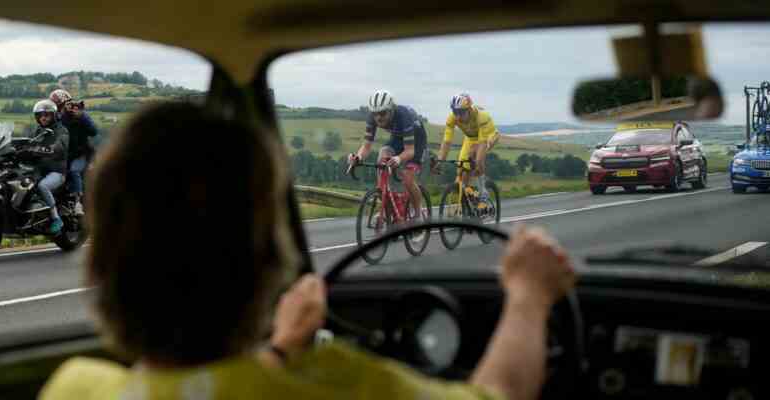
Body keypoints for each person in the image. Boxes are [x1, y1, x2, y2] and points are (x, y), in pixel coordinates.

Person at [40, 102, 576, 400]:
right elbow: (501, 394)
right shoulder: (342, 385)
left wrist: (276, 353)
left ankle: (416, 210)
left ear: (101, 265)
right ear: (270, 261)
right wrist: (529, 293)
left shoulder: (73, 387)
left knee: (408, 172)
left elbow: (208, 390)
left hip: (419, 156)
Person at [348, 90, 427, 217]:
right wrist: (358, 157)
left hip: (416, 141)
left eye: (382, 113)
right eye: (375, 113)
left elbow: (410, 151)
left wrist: (398, 159)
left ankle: (418, 213)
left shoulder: (403, 116)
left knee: (407, 179)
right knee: (382, 155)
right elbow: (366, 146)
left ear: (391, 110)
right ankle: (385, 205)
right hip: (397, 138)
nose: (378, 117)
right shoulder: (372, 118)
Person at [437, 93, 500, 209]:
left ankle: (483, 193)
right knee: (462, 169)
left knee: (476, 159)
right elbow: (446, 142)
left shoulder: (482, 117)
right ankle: (468, 195)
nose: (458, 117)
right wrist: (440, 160)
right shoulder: (452, 118)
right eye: (455, 112)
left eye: (461, 113)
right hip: (471, 138)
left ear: (469, 109)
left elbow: (481, 144)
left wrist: (476, 162)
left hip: (489, 136)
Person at [50, 89, 99, 216]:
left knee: (74, 171)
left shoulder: (80, 115)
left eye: (68, 104)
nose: (65, 108)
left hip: (80, 154)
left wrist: (81, 116)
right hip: (63, 156)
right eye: (60, 106)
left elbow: (93, 131)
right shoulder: (57, 118)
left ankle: (78, 202)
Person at [26, 99, 69, 234]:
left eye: (47, 115)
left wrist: (49, 149)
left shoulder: (61, 130)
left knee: (43, 186)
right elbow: (29, 143)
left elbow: (60, 146)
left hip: (57, 171)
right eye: (41, 115)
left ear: (53, 116)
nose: (43, 118)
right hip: (40, 169)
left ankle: (56, 218)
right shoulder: (38, 131)